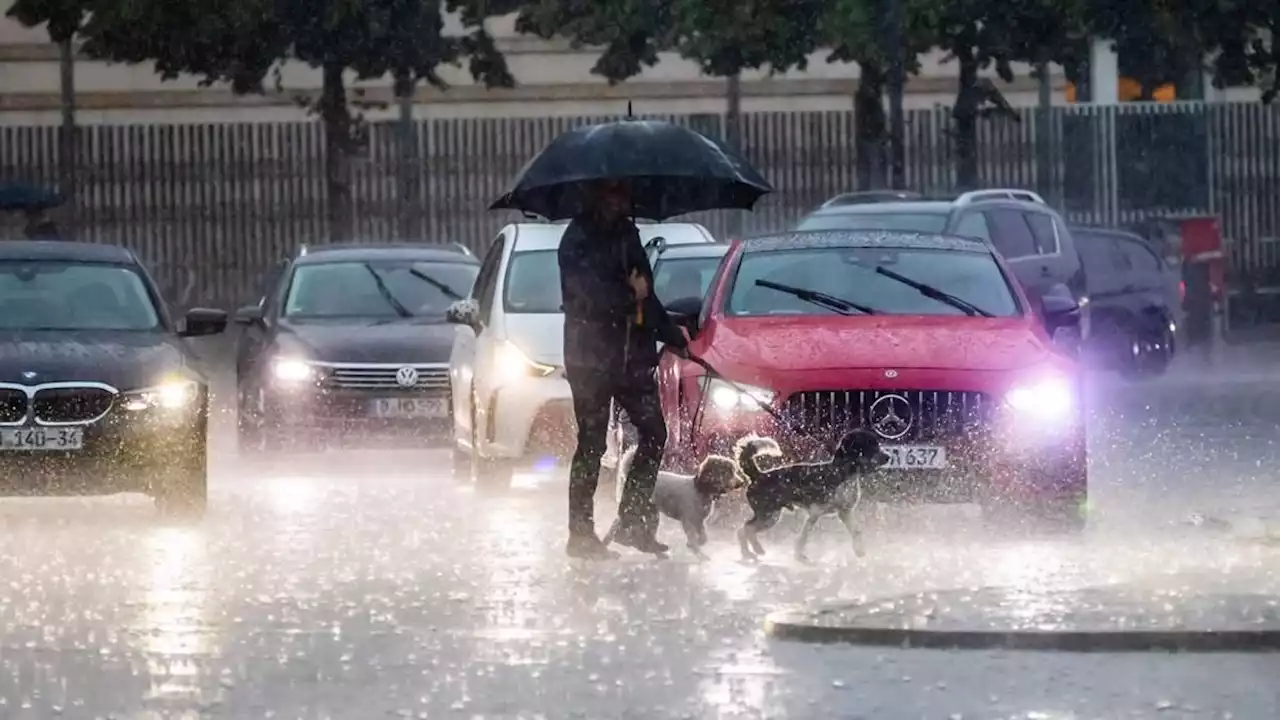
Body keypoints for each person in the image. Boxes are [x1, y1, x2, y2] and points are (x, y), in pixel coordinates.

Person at [559, 179, 690, 560]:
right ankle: (580, 534)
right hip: (591, 360)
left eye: (624, 195)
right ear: (596, 197)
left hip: (632, 358)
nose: (620, 202)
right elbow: (585, 297)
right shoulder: (576, 239)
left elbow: (647, 296)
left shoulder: (628, 234)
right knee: (592, 444)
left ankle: (633, 522)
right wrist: (629, 294)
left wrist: (673, 334)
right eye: (612, 195)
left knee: (654, 433)